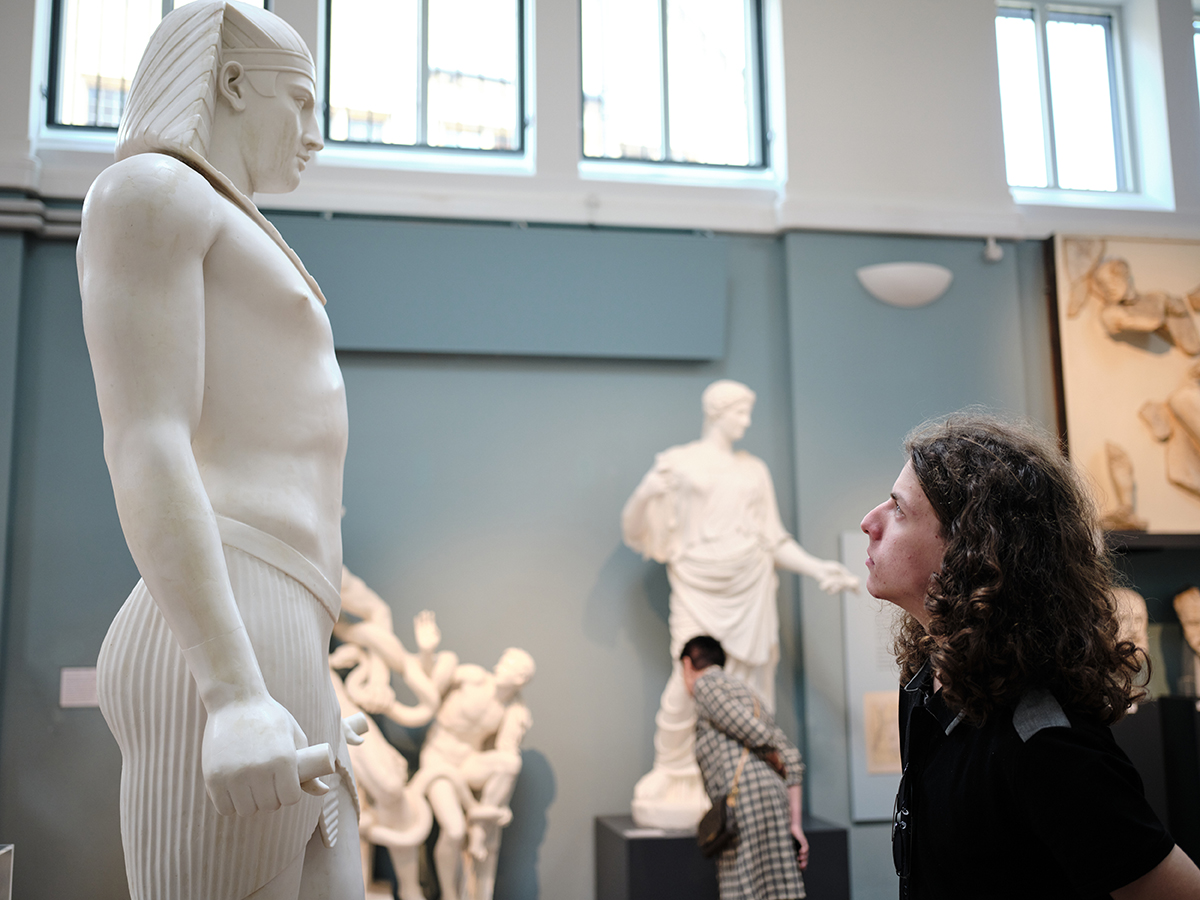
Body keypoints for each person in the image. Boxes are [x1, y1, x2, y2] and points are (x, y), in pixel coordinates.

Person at [78, 3, 362, 898]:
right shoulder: (151, 192)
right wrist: (234, 692)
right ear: (232, 84)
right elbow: (146, 438)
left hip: (283, 621)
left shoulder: (221, 218)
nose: (316, 136)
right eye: (301, 103)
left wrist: (304, 679)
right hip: (228, 615)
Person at [860, 413, 1200, 899]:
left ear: (970, 548)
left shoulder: (1045, 740)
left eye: (899, 509)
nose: (869, 522)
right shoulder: (923, 680)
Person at [622, 379, 858, 827]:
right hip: (697, 580)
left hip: (749, 582)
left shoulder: (754, 470)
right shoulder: (679, 463)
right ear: (716, 411)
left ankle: (741, 775)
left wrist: (817, 568)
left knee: (748, 687)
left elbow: (772, 538)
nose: (746, 422)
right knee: (685, 685)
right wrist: (649, 491)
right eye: (739, 413)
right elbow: (634, 528)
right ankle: (675, 773)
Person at [681, 635, 807, 900]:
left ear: (687, 664)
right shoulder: (750, 695)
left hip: (744, 800)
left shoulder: (706, 683)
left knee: (742, 884)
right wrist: (795, 824)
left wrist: (770, 754)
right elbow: (793, 760)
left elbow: (751, 730)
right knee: (778, 885)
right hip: (773, 797)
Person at [421, 647, 535, 900]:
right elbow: (429, 683)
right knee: (454, 830)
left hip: (468, 763)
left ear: (520, 680)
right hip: (438, 758)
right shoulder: (472, 677)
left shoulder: (513, 710)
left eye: (510, 666)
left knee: (510, 763)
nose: (501, 667)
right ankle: (449, 895)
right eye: (503, 661)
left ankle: (481, 826)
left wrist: (518, 724)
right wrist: (426, 651)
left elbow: (507, 751)